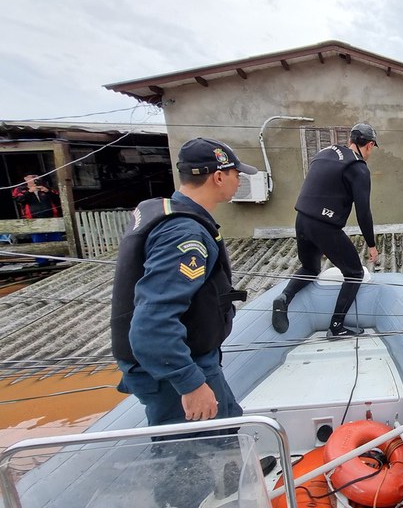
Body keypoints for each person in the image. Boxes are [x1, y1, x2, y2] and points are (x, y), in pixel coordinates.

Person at [111, 137, 256, 437]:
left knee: (229, 425)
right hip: (175, 367)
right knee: (192, 461)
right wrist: (189, 383)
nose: (239, 179)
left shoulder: (165, 211)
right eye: (236, 173)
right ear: (218, 176)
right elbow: (152, 322)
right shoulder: (183, 233)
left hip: (189, 357)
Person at [272, 122, 379, 338]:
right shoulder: (358, 168)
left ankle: (284, 298)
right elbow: (363, 212)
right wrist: (371, 244)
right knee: (354, 273)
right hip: (324, 225)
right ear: (369, 145)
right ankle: (336, 326)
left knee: (310, 268)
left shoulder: (326, 151)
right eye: (371, 148)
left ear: (350, 140)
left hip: (302, 219)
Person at [12, 174, 64, 264]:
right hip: (33, 218)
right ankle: (42, 261)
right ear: (25, 179)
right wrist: (29, 192)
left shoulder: (45, 187)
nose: (34, 179)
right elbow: (19, 200)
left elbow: (59, 197)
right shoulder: (20, 189)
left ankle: (58, 258)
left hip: (50, 217)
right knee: (38, 240)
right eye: (31, 177)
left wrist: (48, 191)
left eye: (35, 177)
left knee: (55, 238)